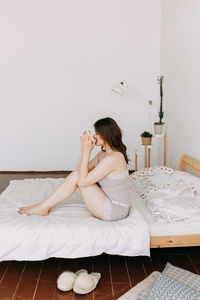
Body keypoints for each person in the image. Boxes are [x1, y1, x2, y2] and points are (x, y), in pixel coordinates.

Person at [19, 117, 130, 221]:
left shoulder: (114, 158)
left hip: (115, 211)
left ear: (106, 135)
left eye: (97, 133)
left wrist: (87, 151)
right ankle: (42, 206)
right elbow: (79, 170)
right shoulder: (103, 153)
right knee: (77, 175)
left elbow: (82, 181)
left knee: (78, 177)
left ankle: (42, 207)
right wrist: (84, 149)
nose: (94, 136)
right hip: (107, 200)